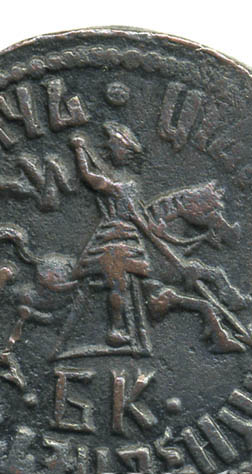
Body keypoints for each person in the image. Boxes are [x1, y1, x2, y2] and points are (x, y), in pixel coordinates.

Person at [70, 122, 150, 347]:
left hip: (124, 237)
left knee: (121, 280)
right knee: (118, 281)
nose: (110, 148)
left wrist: (80, 149)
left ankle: (121, 327)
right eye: (112, 145)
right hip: (113, 238)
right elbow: (88, 176)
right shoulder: (122, 185)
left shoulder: (127, 185)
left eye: (116, 146)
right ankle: (116, 328)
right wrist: (80, 150)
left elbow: (91, 177)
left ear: (127, 152)